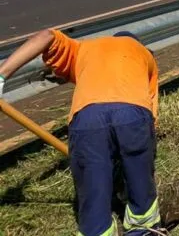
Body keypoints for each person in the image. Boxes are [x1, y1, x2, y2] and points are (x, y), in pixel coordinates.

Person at [0, 30, 160, 236]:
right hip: (133, 113)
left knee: (93, 194)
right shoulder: (145, 55)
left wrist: (2, 74)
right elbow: (151, 120)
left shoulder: (85, 47)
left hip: (87, 118)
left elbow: (46, 36)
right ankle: (143, 228)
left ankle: (97, 229)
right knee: (141, 192)